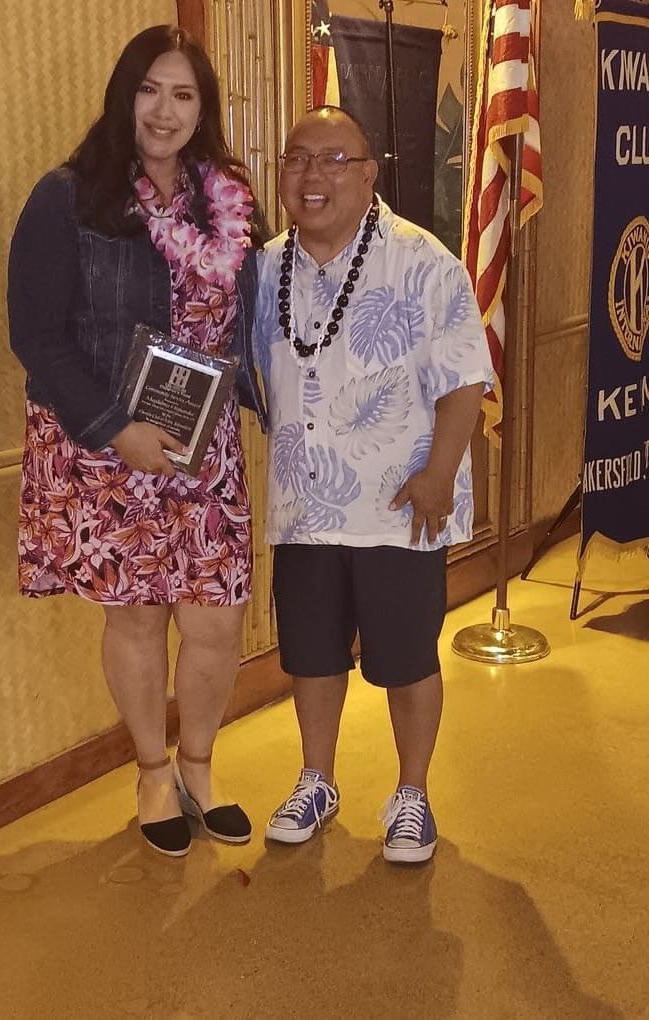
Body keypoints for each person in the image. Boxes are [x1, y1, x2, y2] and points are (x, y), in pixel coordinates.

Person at [7, 25, 267, 858]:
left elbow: (253, 316)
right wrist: (118, 430)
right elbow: (36, 335)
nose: (164, 110)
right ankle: (153, 771)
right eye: (149, 89)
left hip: (204, 448)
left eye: (183, 93)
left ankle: (199, 766)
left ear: (203, 107)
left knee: (217, 619)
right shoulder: (69, 197)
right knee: (139, 617)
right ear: (124, 95)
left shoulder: (226, 199)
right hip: (111, 449)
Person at [254, 107, 493, 863]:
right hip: (304, 504)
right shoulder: (264, 267)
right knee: (312, 655)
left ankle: (411, 793)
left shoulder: (423, 262)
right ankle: (316, 780)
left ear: (367, 174)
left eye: (333, 159)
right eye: (298, 159)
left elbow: (464, 380)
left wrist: (438, 475)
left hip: (400, 504)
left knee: (406, 657)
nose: (312, 175)